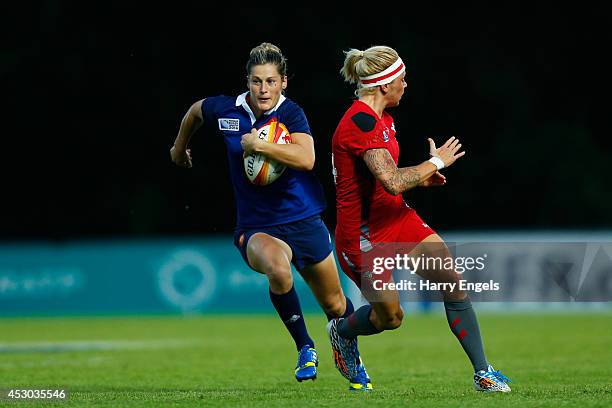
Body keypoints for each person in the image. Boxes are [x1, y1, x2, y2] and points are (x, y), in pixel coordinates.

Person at [170, 42, 367, 389]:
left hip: (304, 219)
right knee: (277, 268)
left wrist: (259, 145)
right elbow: (196, 111)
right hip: (257, 226)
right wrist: (179, 145)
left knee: (336, 306)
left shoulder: (291, 114)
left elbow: (306, 159)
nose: (264, 89)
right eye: (257, 81)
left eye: (271, 82)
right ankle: (305, 346)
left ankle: (349, 354)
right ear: (247, 81)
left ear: (283, 83)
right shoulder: (227, 111)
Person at [327, 45, 512, 393]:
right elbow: (393, 180)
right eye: (401, 79)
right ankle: (342, 331)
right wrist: (436, 163)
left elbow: (390, 180)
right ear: (384, 86)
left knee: (452, 280)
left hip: (395, 218)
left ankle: (483, 373)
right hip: (362, 235)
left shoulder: (384, 119)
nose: (406, 85)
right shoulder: (359, 122)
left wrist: (422, 177)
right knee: (391, 318)